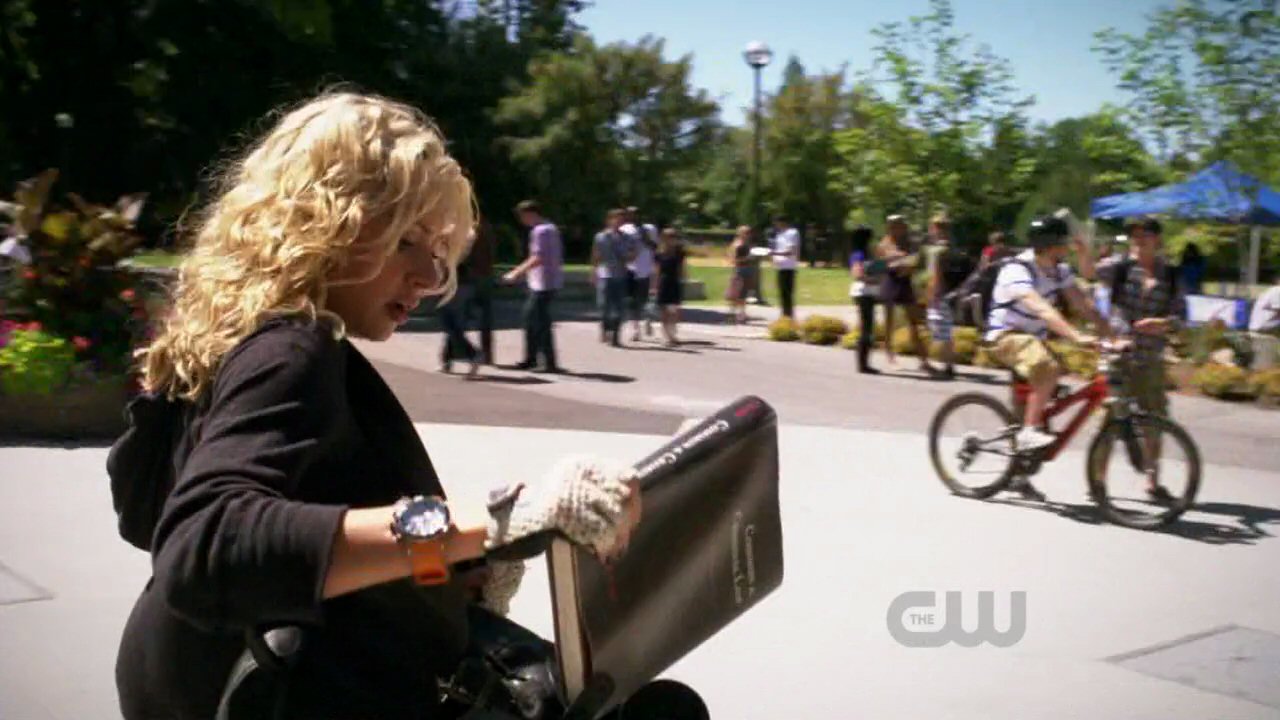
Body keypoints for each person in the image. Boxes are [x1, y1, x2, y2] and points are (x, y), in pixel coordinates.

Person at [108, 92, 641, 720]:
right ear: (322, 221)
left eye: (438, 250)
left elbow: (291, 502)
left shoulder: (238, 334)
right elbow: (206, 547)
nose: (429, 276)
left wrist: (450, 565)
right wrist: (493, 523)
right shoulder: (291, 348)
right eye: (405, 241)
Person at [986, 215, 1110, 459]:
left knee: (1055, 373)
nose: (1068, 247)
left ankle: (1020, 458)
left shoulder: (1058, 271)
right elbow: (1041, 308)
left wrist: (1112, 335)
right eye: (1064, 242)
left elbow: (1083, 304)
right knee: (1047, 367)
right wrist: (1075, 335)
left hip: (1034, 340)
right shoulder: (1016, 269)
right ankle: (1029, 431)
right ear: (1051, 244)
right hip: (1007, 336)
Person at [1096, 216, 1186, 502]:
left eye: (1144, 234)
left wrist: (1163, 323)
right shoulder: (1120, 267)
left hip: (1151, 357)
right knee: (1111, 420)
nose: (1138, 239)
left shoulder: (1171, 274)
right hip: (1120, 353)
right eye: (1134, 235)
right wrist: (1083, 250)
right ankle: (1097, 482)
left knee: (1155, 420)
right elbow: (1088, 271)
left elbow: (1182, 317)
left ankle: (1152, 482)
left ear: (1157, 239)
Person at [505, 199, 564, 373]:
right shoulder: (551, 228)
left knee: (539, 323)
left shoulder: (540, 231)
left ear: (530, 214)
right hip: (547, 282)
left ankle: (548, 363)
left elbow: (538, 257)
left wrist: (516, 272)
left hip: (543, 284)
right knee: (532, 320)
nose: (522, 220)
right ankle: (532, 359)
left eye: (522, 216)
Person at [877, 214, 934, 373]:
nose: (899, 228)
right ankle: (890, 356)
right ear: (890, 227)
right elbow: (882, 264)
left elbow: (916, 261)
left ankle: (923, 360)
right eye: (895, 226)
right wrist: (897, 261)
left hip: (905, 283)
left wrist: (910, 266)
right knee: (889, 323)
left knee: (914, 322)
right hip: (890, 282)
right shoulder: (884, 244)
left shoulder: (908, 243)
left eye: (901, 225)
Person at [925, 215, 973, 379]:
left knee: (940, 330)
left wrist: (933, 295)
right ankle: (948, 364)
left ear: (935, 229)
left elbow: (936, 275)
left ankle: (946, 366)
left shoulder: (937, 250)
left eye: (932, 228)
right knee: (947, 329)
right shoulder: (953, 248)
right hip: (955, 293)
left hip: (941, 294)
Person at [591, 208, 635, 347]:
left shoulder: (627, 237)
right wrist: (594, 272)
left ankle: (616, 335)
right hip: (605, 274)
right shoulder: (600, 237)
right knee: (603, 305)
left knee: (619, 307)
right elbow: (596, 255)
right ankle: (605, 327)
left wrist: (629, 256)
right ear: (609, 220)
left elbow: (632, 254)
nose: (619, 222)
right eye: (616, 219)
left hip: (620, 274)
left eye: (621, 220)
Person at [847, 225, 880, 374]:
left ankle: (864, 363)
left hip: (867, 292)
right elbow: (857, 274)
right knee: (866, 328)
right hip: (863, 292)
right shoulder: (859, 254)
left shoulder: (864, 253)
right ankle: (863, 364)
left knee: (867, 327)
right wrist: (873, 280)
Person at [621, 207, 658, 340]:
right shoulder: (624, 229)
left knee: (644, 299)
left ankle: (648, 319)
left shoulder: (650, 228)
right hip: (630, 269)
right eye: (630, 214)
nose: (633, 217)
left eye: (636, 214)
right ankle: (636, 329)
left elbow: (655, 247)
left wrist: (645, 237)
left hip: (646, 269)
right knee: (632, 300)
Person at [466, 216, 497, 364]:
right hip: (486, 274)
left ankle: (456, 353)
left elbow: (466, 253)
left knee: (455, 315)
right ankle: (487, 354)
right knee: (485, 318)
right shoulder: (487, 227)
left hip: (472, 276)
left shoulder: (471, 229)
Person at [654, 227, 686, 346]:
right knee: (664, 311)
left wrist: (683, 280)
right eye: (668, 237)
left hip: (675, 282)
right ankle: (667, 336)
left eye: (673, 237)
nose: (671, 240)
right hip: (664, 282)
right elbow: (657, 271)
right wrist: (654, 286)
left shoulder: (679, 253)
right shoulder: (659, 254)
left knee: (674, 311)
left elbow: (682, 269)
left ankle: (672, 334)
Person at [770, 216, 800, 318]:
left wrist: (774, 253)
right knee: (782, 293)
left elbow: (791, 251)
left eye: (777, 223)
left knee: (787, 294)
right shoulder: (779, 235)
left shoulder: (792, 233)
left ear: (783, 222)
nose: (776, 225)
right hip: (780, 267)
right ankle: (784, 315)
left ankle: (789, 316)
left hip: (789, 267)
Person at [726, 225, 752, 324]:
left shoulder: (747, 244)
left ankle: (742, 314)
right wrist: (747, 258)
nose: (748, 235)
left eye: (749, 233)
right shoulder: (736, 244)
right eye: (746, 233)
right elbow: (733, 259)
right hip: (739, 270)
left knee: (744, 294)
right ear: (740, 233)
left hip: (747, 269)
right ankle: (731, 315)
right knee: (735, 293)